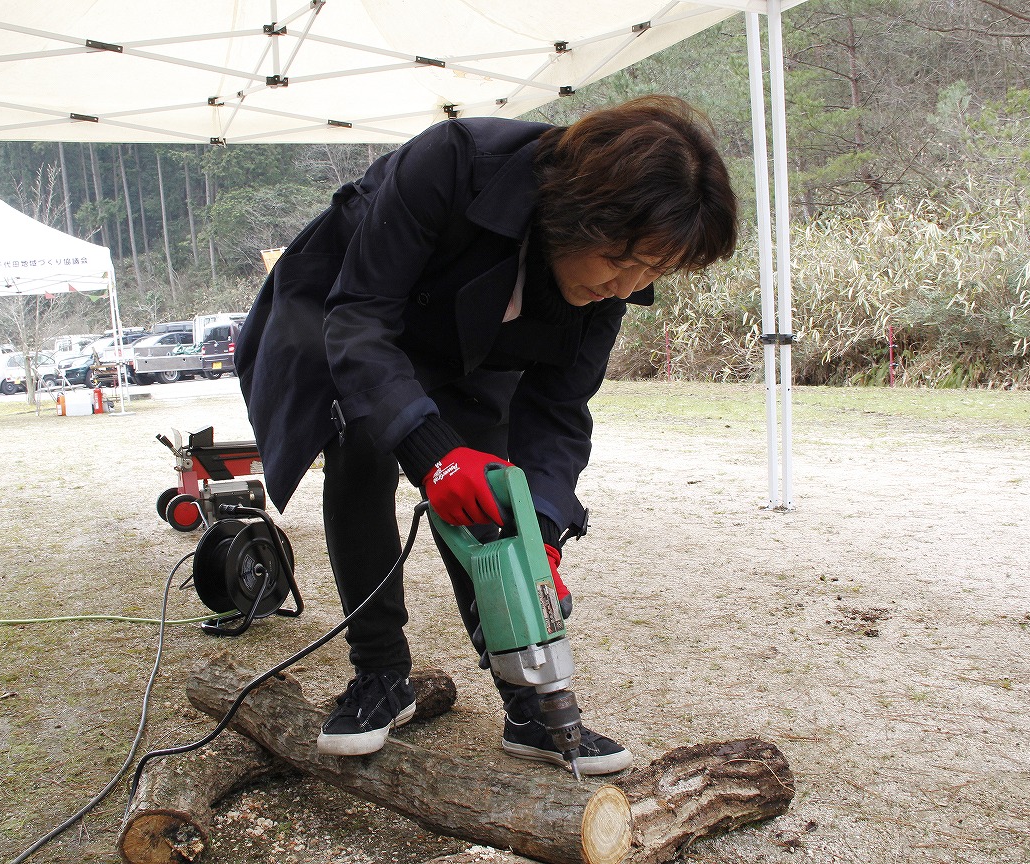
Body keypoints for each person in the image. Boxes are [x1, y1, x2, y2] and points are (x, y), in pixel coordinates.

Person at [235, 94, 738, 775]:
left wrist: (547, 533)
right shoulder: (453, 162)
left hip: (469, 339)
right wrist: (432, 454)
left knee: (501, 500)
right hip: (356, 311)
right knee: (362, 450)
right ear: (578, 212)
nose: (629, 288)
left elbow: (560, 410)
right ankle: (380, 673)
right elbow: (358, 320)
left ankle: (529, 703)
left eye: (654, 273)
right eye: (623, 262)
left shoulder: (609, 279)